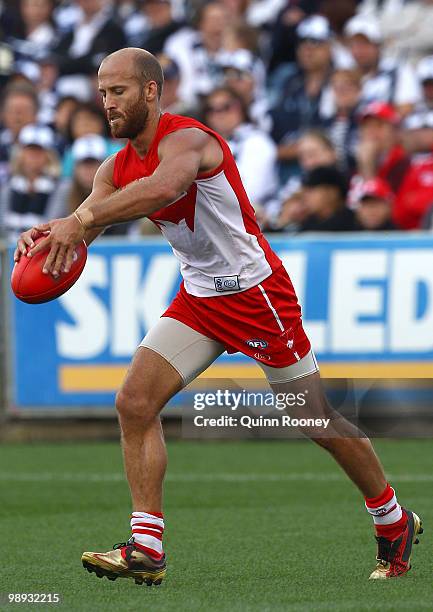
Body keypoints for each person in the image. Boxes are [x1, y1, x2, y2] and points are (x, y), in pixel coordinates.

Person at [15, 48, 423, 585]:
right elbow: (85, 230)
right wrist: (53, 236)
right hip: (201, 299)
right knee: (134, 402)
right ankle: (146, 546)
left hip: (257, 296)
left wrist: (79, 217)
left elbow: (165, 188)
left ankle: (391, 518)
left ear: (151, 92)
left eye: (118, 92)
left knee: (314, 418)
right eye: (102, 93)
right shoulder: (113, 168)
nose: (107, 103)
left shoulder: (189, 139)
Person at [299, 164, 357, 231]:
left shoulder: (355, 224)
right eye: (305, 192)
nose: (305, 197)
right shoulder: (306, 223)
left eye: (311, 191)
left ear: (332, 193)